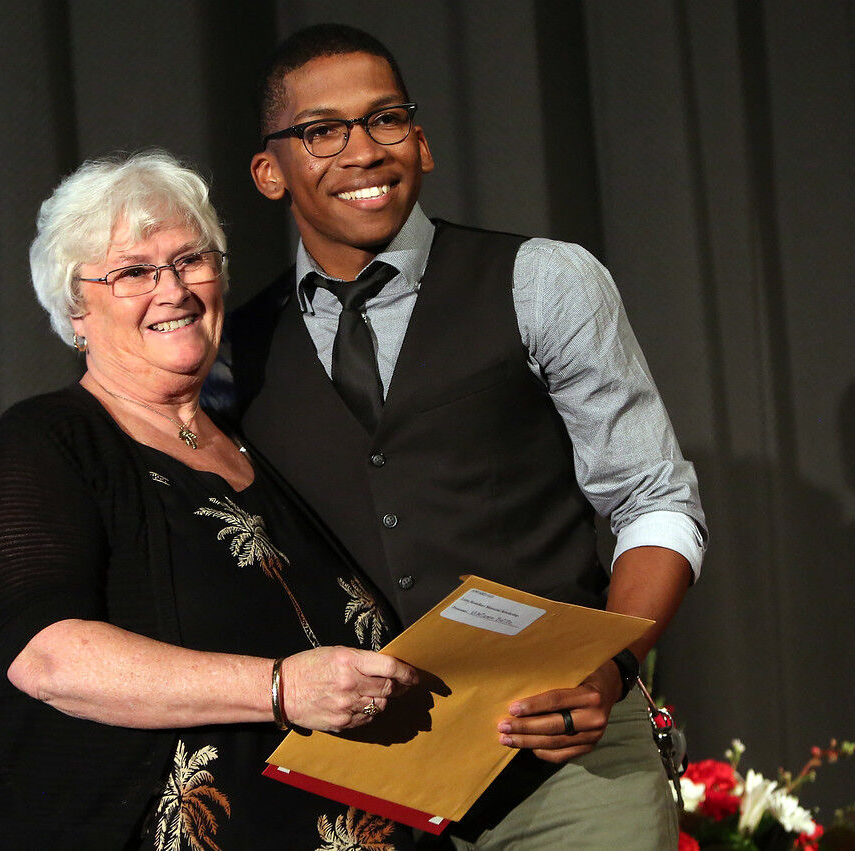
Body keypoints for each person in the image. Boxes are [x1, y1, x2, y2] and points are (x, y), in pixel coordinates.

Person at [225, 24, 708, 850]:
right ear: (270, 171)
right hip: (368, 783)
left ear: (420, 142)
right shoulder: (238, 351)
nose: (362, 151)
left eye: (384, 119)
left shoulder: (542, 280)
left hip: (566, 757)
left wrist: (611, 667)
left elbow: (654, 499)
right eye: (322, 130)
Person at [0, 149, 422, 850]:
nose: (172, 290)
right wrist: (279, 688)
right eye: (133, 272)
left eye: (190, 261)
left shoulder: (256, 443)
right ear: (76, 309)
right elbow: (47, 656)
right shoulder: (48, 441)